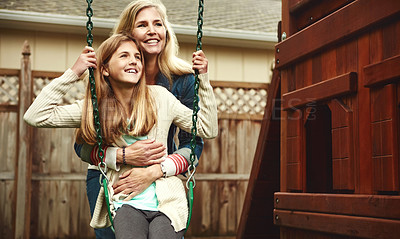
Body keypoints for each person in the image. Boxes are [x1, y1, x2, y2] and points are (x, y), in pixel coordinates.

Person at [24, 33, 218, 238]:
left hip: (166, 201)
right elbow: (35, 116)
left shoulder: (160, 98)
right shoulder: (94, 108)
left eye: (137, 57)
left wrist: (203, 79)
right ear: (105, 69)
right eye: (124, 56)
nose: (133, 60)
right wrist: (74, 72)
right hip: (126, 201)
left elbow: (207, 128)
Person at [74, 1, 205, 237]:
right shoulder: (107, 81)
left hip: (163, 177)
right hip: (111, 176)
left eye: (158, 24)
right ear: (128, 35)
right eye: (142, 25)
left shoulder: (183, 81)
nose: (153, 30)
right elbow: (81, 146)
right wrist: (122, 155)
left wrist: (156, 170)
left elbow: (193, 144)